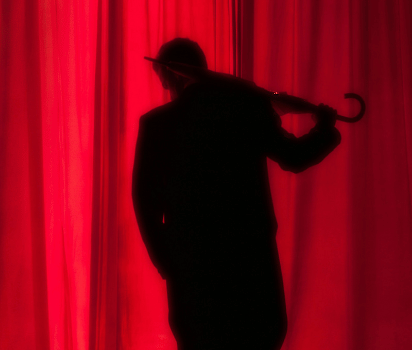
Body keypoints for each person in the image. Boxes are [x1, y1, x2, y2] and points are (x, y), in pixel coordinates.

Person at [132, 38, 342, 350]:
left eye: (161, 76)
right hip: (250, 262)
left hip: (193, 269)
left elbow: (146, 202)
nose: (162, 83)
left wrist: (168, 261)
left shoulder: (158, 124)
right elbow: (294, 157)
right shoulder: (247, 109)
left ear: (172, 74)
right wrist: (325, 129)